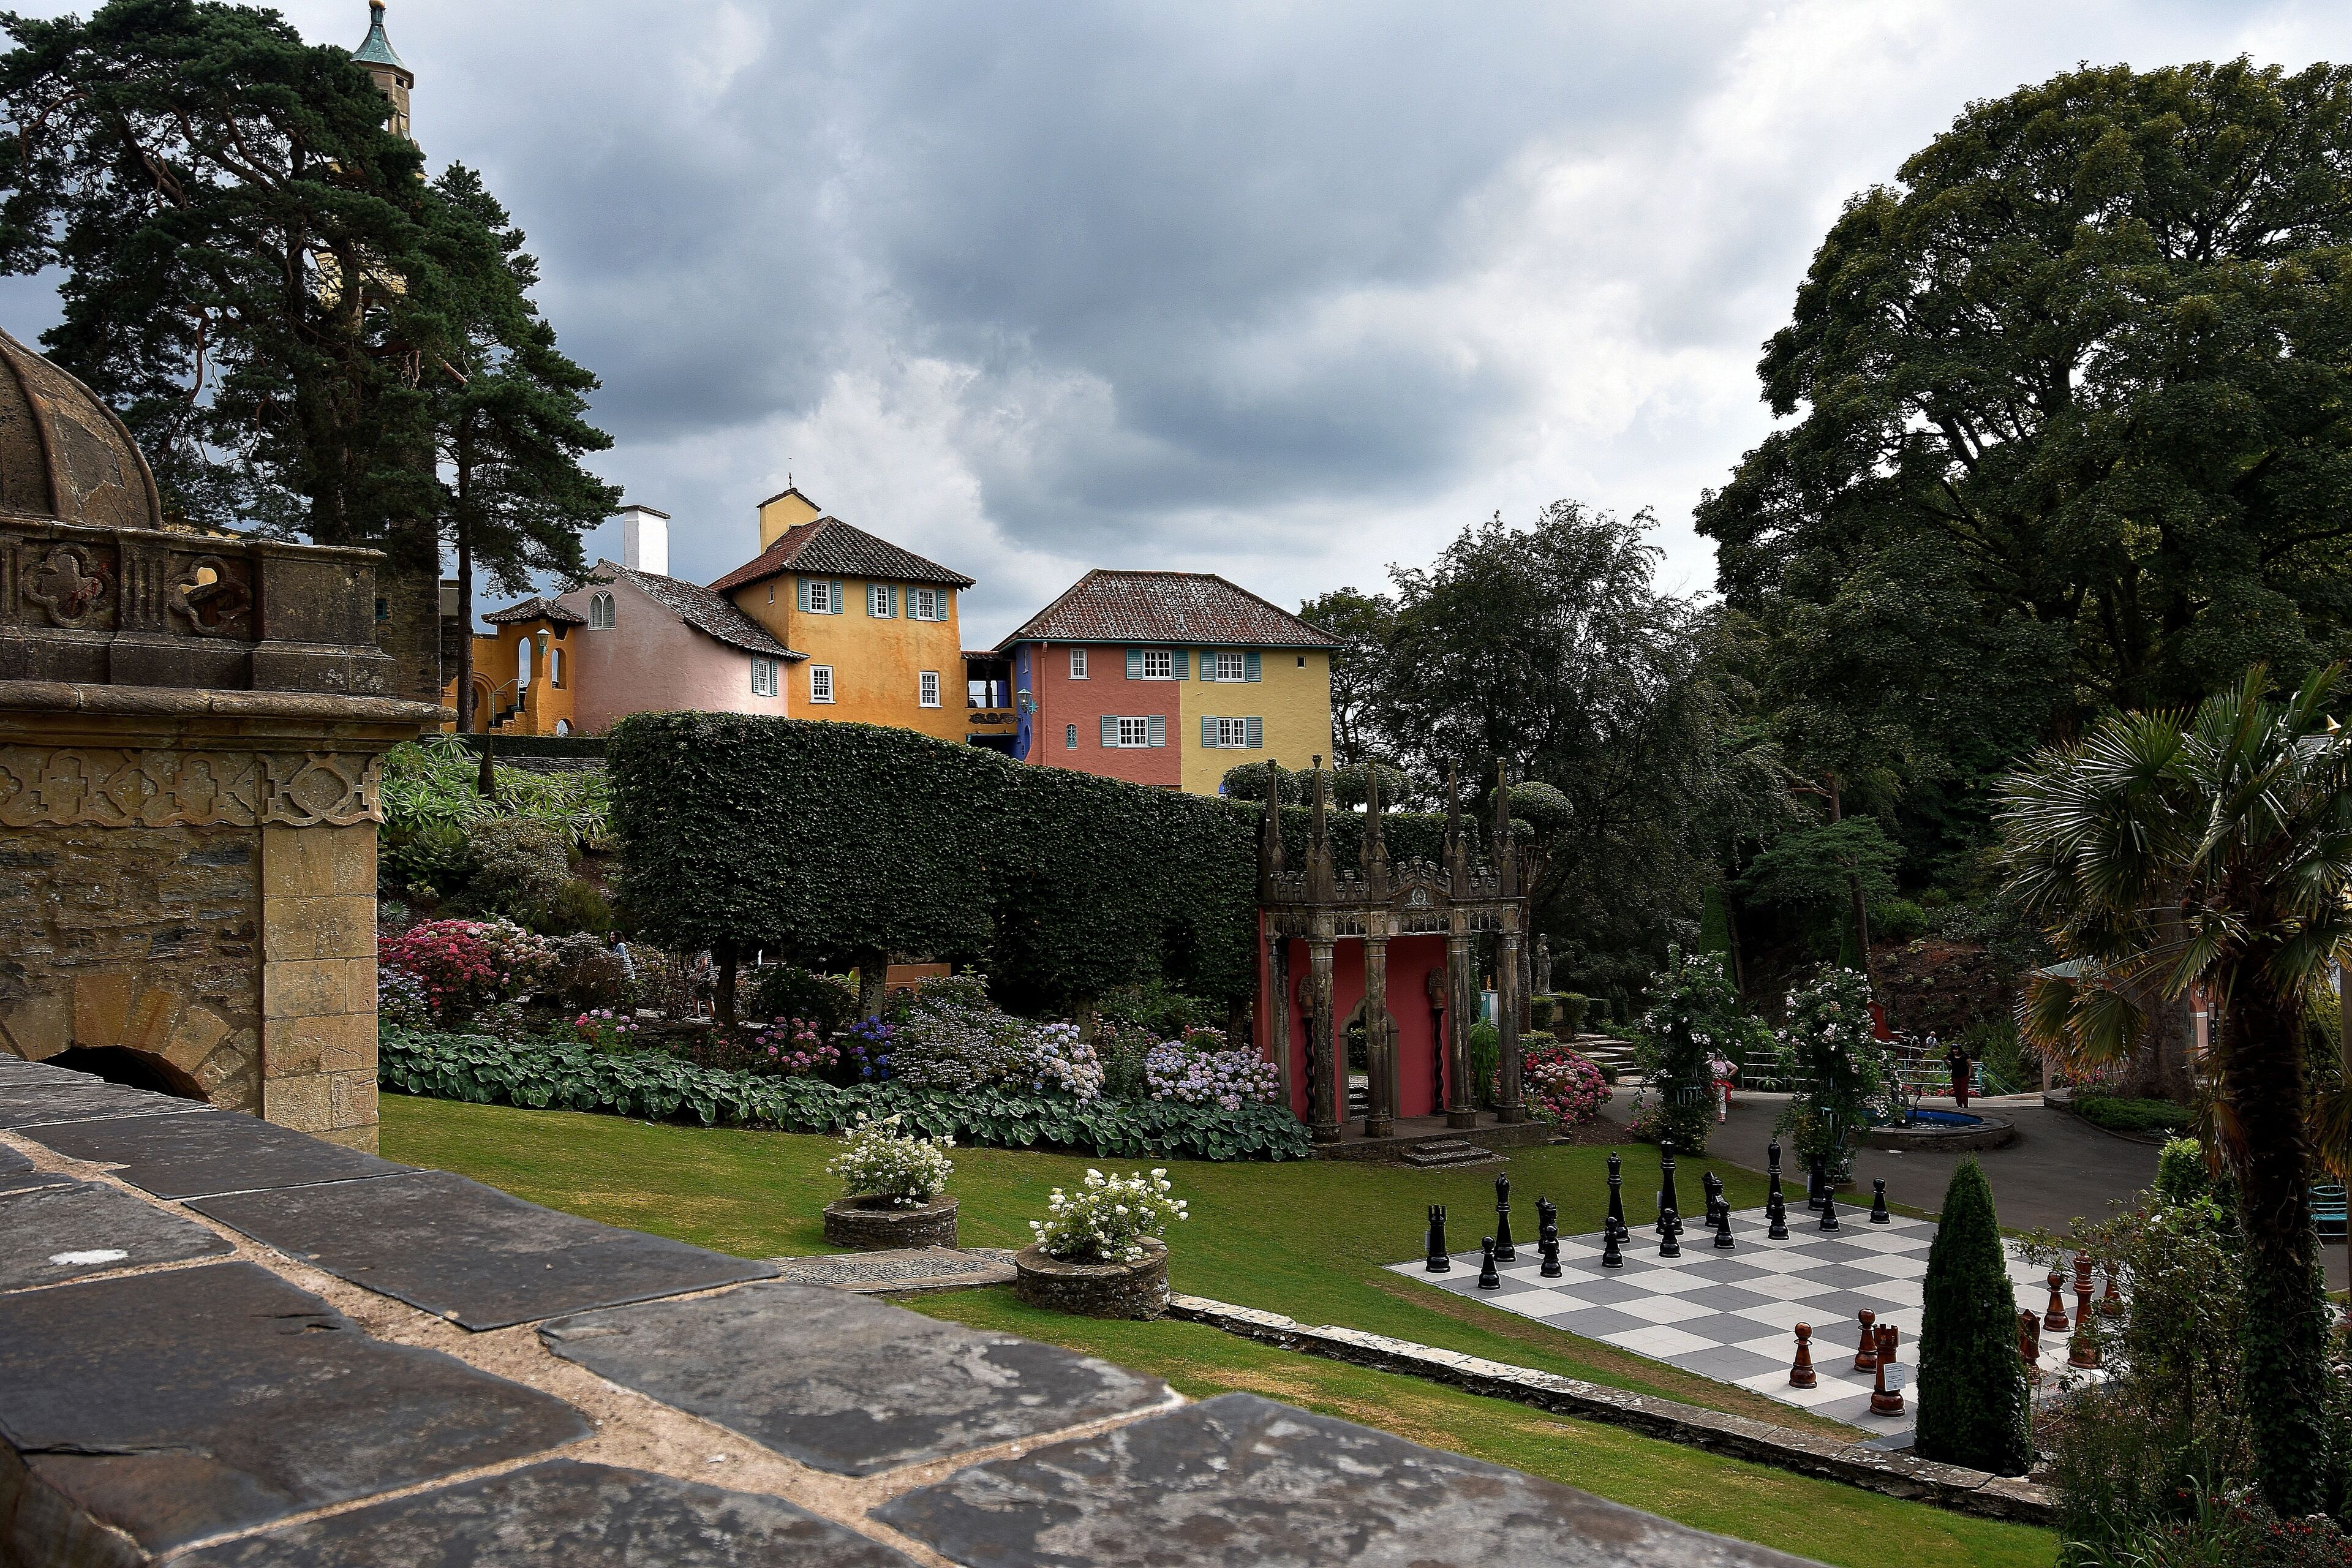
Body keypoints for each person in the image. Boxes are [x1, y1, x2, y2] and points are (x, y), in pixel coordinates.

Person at [1944, 1036, 1972, 1109]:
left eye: (1956, 1049)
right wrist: (1949, 1064)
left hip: (1964, 1075)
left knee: (1964, 1091)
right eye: (1954, 1049)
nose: (1955, 1051)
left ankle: (1965, 1105)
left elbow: (1970, 1065)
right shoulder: (1951, 1056)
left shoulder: (1964, 1055)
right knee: (1957, 1091)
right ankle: (1959, 1105)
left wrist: (1969, 1075)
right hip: (1955, 1075)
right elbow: (1943, 1058)